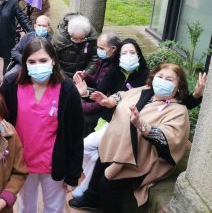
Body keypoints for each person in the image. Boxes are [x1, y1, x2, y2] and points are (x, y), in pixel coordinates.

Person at [0, 38, 84, 212]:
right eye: (32, 61)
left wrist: (73, 175)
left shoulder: (67, 90)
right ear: (25, 63)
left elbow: (76, 134)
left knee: (54, 208)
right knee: (25, 207)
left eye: (43, 60)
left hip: (54, 165)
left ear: (53, 60)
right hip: (20, 163)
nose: (38, 65)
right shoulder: (12, 85)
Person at [69, 63, 195, 212]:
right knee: (101, 159)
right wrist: (109, 101)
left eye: (169, 79)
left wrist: (142, 125)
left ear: (179, 86)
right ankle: (92, 199)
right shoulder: (144, 91)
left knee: (107, 184)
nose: (162, 81)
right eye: (160, 76)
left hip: (142, 158)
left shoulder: (178, 111)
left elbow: (168, 137)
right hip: (120, 146)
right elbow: (121, 95)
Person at [72, 38, 149, 197]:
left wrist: (196, 96)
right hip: (109, 119)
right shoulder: (114, 70)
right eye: (124, 53)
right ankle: (89, 179)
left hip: (128, 125)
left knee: (95, 150)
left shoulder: (146, 76)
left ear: (139, 55)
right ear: (119, 56)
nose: (128, 56)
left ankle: (87, 186)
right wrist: (86, 93)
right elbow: (100, 93)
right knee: (87, 148)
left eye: (132, 52)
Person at [73, 31, 121, 135]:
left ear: (113, 49)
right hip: (96, 97)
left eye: (101, 48)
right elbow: (97, 80)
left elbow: (103, 101)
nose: (98, 51)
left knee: (79, 117)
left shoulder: (116, 68)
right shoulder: (104, 59)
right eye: (98, 47)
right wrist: (85, 76)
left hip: (107, 108)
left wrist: (82, 107)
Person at [52, 12, 98, 78]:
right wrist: (64, 78)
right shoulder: (60, 38)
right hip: (62, 76)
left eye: (82, 38)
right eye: (75, 38)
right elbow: (54, 60)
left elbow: (94, 58)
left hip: (82, 76)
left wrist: (86, 73)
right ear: (70, 33)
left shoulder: (92, 38)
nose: (79, 41)